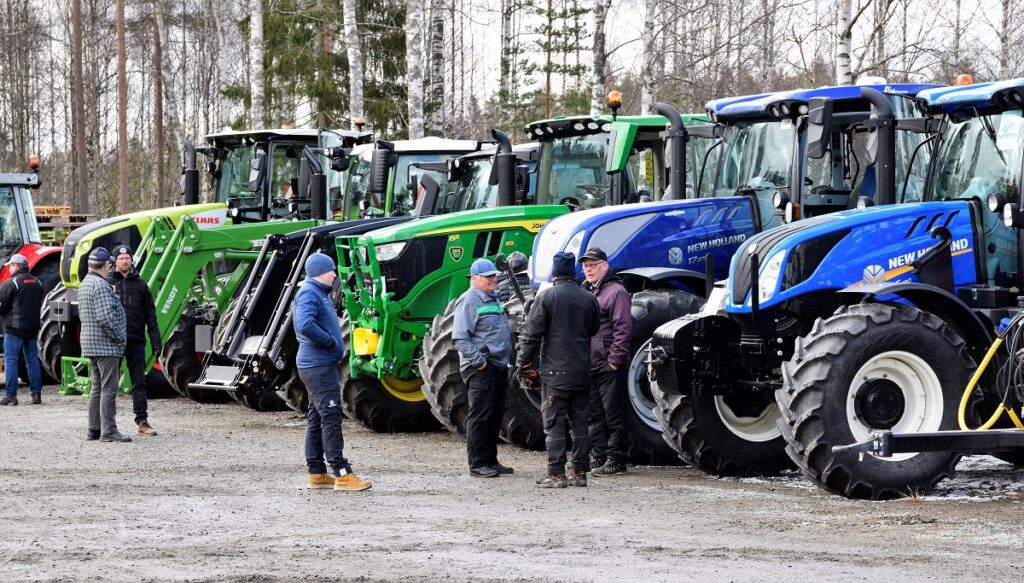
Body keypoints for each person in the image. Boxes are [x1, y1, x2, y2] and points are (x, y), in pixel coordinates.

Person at [518, 251, 599, 488]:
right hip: (582, 371)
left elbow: (532, 334)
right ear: (573, 272)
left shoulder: (547, 298)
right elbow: (593, 330)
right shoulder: (588, 299)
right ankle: (580, 472)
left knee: (553, 423)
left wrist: (523, 363)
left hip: (555, 374)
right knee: (580, 423)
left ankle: (555, 473)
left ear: (554, 273)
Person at [294, 252, 371, 491]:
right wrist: (329, 342)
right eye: (331, 270)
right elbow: (304, 324)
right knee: (330, 415)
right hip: (318, 366)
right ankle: (342, 473)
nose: (335, 275)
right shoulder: (309, 292)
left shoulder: (316, 293)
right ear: (321, 271)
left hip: (316, 365)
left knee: (316, 417)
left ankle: (317, 473)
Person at [452, 258, 514, 478]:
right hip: (481, 368)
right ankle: (477, 463)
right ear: (475, 278)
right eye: (488, 276)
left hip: (497, 365)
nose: (493, 280)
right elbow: (460, 338)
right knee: (480, 415)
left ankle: (491, 460)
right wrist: (480, 362)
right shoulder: (468, 300)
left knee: (494, 415)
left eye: (494, 276)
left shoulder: (493, 299)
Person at [580, 247, 632, 477]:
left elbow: (623, 329)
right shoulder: (586, 291)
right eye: (585, 265)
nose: (588, 269)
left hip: (608, 366)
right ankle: (599, 457)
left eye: (593, 265)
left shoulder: (616, 292)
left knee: (613, 415)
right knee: (594, 416)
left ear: (604, 266)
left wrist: (614, 361)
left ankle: (617, 460)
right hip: (590, 364)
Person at [107, 245, 161, 436]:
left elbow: (151, 316)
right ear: (115, 261)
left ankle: (142, 421)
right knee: (110, 384)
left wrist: (156, 341)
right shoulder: (107, 283)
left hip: (136, 340)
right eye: (121, 258)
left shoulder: (140, 284)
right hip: (112, 341)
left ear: (132, 261)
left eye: (127, 258)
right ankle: (108, 424)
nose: (124, 261)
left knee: (139, 382)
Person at [80, 247, 130, 442]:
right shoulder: (100, 285)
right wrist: (120, 337)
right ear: (107, 265)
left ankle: (94, 429)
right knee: (109, 389)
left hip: (91, 344)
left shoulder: (86, 282)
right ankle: (109, 431)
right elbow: (106, 318)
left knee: (97, 387)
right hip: (105, 345)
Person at [0, 254, 44, 406]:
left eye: (10, 266)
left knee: (11, 360)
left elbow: (1, 307)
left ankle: (11, 396)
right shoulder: (37, 282)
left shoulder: (11, 283)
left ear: (16, 266)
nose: (9, 269)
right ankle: (36, 395)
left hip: (14, 329)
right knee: (32, 360)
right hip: (32, 329)